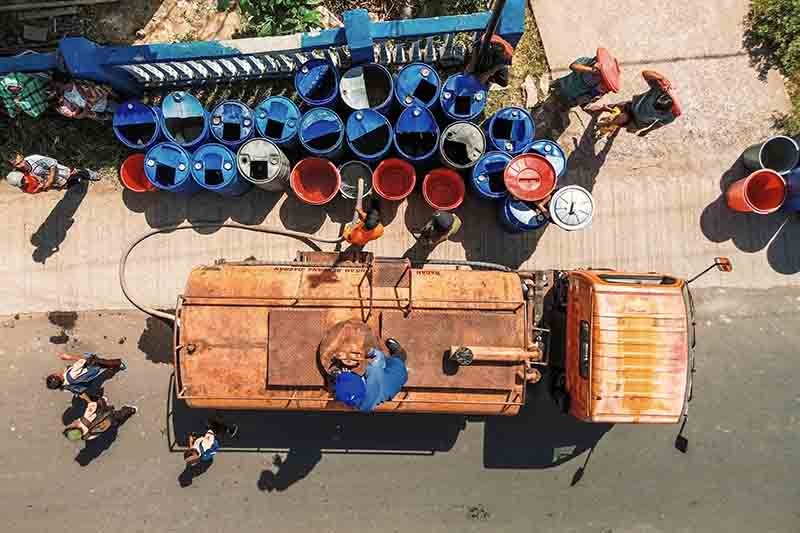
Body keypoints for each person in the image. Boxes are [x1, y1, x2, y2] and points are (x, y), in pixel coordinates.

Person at [590, 70, 682, 136]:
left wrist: (647, 131)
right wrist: (661, 78)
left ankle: (616, 126)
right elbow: (645, 73)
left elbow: (658, 124)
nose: (654, 108)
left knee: (624, 124)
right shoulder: (659, 89)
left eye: (658, 110)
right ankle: (602, 110)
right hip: (632, 106)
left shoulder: (672, 115)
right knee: (615, 107)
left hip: (639, 121)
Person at [334, 338, 409, 413]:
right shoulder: (373, 374)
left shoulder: (349, 395)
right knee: (398, 368)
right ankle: (400, 355)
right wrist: (371, 352)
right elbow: (378, 360)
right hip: (385, 385)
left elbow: (344, 388)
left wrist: (339, 376)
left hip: (372, 381)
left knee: (381, 360)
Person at [552, 48, 620, 109]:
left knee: (561, 105)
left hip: (570, 98)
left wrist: (598, 93)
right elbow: (573, 66)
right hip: (563, 83)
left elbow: (588, 101)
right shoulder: (588, 62)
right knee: (553, 86)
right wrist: (591, 70)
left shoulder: (600, 87)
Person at [6, 152, 99, 194]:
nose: (22, 164)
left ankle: (87, 173)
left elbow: (52, 163)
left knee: (73, 174)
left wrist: (50, 180)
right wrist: (45, 187)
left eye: (21, 161)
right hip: (51, 182)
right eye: (18, 164)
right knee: (66, 185)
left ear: (22, 156)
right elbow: (25, 185)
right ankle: (77, 183)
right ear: (13, 165)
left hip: (59, 171)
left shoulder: (34, 159)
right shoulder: (19, 174)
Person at [46, 352, 126, 397]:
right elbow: (82, 360)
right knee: (99, 361)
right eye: (54, 374)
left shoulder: (65, 385)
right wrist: (68, 357)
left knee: (103, 366)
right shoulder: (72, 374)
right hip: (92, 368)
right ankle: (119, 364)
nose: (55, 372)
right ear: (57, 376)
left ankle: (113, 367)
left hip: (88, 378)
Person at [62, 396, 137, 442]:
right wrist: (90, 402)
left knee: (119, 416)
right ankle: (104, 401)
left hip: (107, 423)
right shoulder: (84, 420)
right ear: (74, 427)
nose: (71, 423)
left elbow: (96, 435)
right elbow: (92, 406)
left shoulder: (86, 437)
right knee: (99, 404)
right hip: (104, 415)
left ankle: (131, 410)